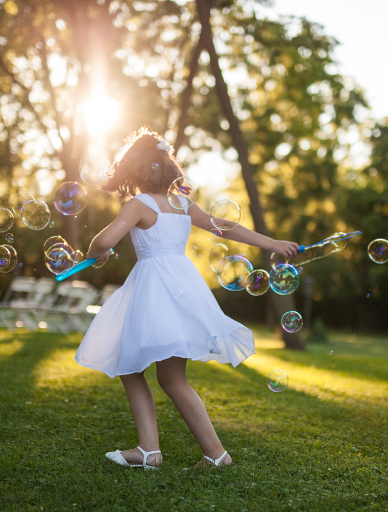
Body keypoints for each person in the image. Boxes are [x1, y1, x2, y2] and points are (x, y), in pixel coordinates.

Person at [76, 127, 299, 470]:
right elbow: (223, 225)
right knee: (168, 376)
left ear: (133, 171)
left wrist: (95, 252)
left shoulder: (139, 204)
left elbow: (105, 241)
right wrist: (271, 243)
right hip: (182, 288)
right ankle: (193, 453)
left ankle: (164, 451)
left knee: (132, 366)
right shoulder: (182, 205)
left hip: (153, 291)